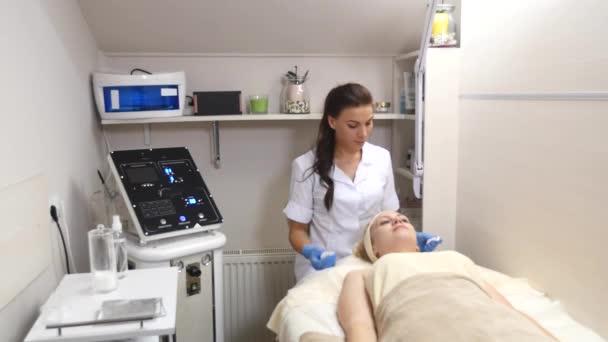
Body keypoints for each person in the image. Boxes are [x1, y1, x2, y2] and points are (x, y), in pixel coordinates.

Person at [283, 83, 440, 282]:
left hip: (372, 263)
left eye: (369, 123)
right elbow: (296, 231)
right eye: (353, 125)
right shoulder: (305, 165)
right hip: (325, 270)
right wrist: (310, 251)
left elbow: (389, 214)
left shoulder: (381, 158)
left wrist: (411, 237)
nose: (363, 133)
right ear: (332, 121)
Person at [336, 210, 557, 342]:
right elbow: (359, 325)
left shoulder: (455, 258)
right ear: (374, 248)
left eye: (403, 218)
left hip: (498, 328)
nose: (398, 220)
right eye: (384, 222)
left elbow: (508, 311)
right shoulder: (363, 274)